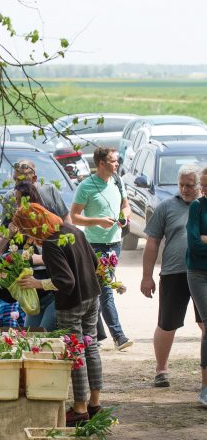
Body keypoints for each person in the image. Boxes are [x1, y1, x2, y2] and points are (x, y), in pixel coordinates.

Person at [13, 202, 103, 425]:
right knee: (90, 347)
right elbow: (94, 262)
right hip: (92, 295)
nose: (28, 239)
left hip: (71, 303)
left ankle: (80, 408)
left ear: (33, 227)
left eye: (26, 232)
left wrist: (37, 283)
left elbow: (65, 282)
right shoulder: (72, 230)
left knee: (75, 351)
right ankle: (95, 403)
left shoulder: (52, 244)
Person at [141, 164, 203, 388]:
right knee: (167, 323)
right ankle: (161, 369)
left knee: (205, 323)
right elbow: (152, 242)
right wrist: (147, 276)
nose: (185, 189)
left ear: (200, 185)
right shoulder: (166, 207)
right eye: (181, 185)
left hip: (202, 273)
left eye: (190, 185)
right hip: (174, 272)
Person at [0, 160, 71, 330]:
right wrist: (10, 234)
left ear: (34, 178)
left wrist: (58, 251)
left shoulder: (49, 193)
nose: (18, 185)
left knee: (44, 333)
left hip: (48, 275)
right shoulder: (10, 199)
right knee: (30, 333)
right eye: (15, 180)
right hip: (26, 281)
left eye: (22, 180)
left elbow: (66, 221)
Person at [70, 147, 133, 351]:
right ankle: (119, 336)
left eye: (117, 161)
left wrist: (124, 215)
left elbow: (126, 205)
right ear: (101, 163)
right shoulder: (86, 186)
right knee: (105, 289)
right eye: (113, 161)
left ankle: (92, 335)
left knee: (97, 290)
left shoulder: (118, 181)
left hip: (115, 243)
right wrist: (97, 221)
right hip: (94, 246)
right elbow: (74, 216)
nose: (117, 164)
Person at [186, 165, 207, 406]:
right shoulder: (197, 206)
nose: (203, 190)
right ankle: (205, 386)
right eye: (202, 185)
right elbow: (193, 244)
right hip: (198, 272)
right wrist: (200, 239)